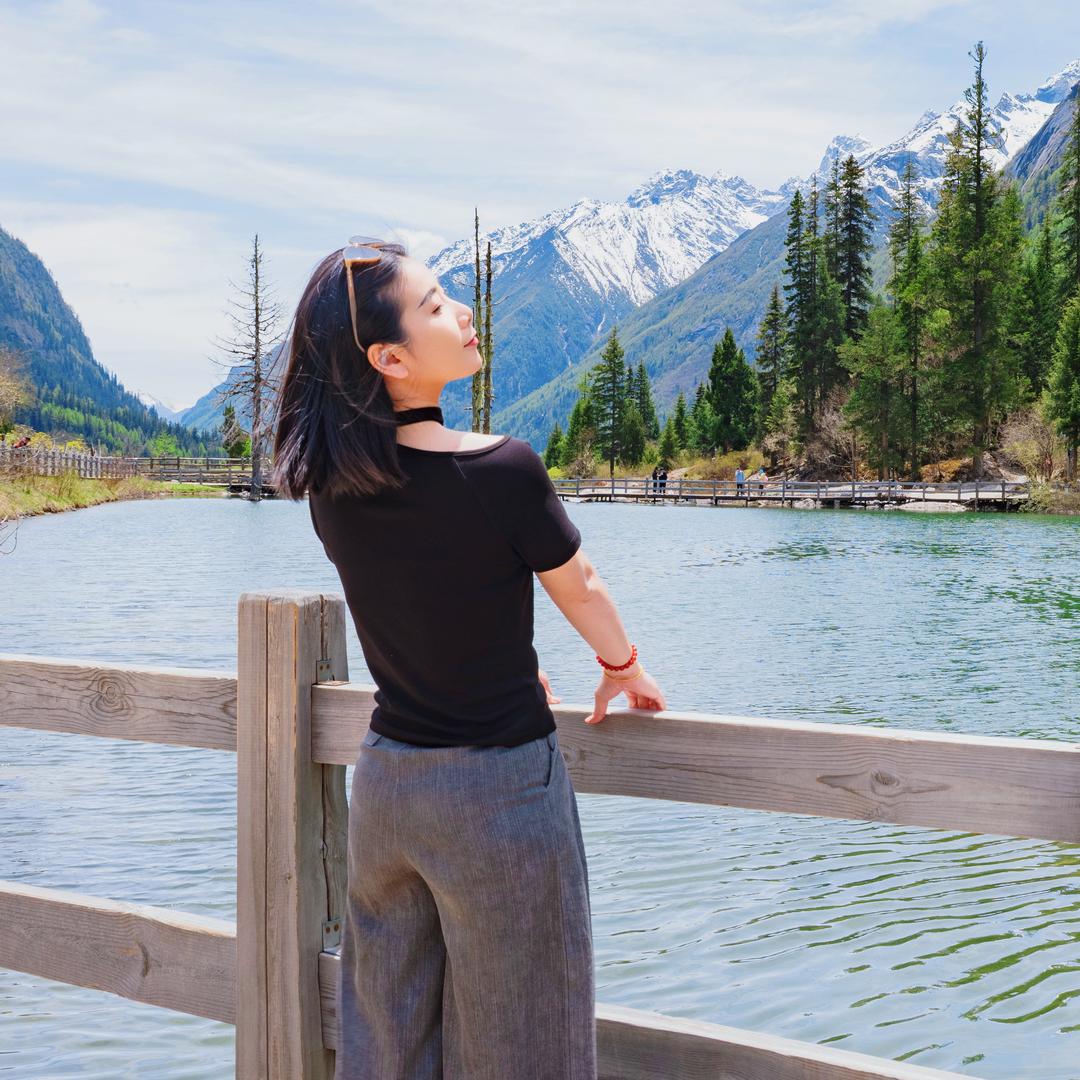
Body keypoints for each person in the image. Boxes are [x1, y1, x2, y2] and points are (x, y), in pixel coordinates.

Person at [270, 237, 667, 1080]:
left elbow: (421, 603)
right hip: (497, 791)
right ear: (391, 359)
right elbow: (580, 583)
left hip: (387, 787)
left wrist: (502, 663)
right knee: (527, 1039)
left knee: (387, 1033)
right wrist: (622, 663)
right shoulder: (502, 470)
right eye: (437, 305)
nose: (463, 312)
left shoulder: (333, 490)